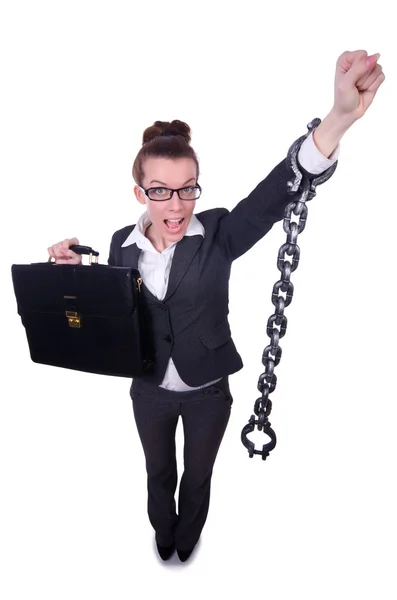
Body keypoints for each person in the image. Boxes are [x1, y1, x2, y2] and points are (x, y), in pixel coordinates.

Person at [47, 50, 385, 563]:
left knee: (197, 474)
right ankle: (164, 531)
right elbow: (112, 309)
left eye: (187, 189)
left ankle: (188, 539)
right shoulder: (120, 245)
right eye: (160, 191)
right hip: (150, 390)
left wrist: (338, 118)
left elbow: (274, 195)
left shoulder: (220, 234)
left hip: (208, 392)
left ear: (196, 186)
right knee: (158, 472)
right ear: (140, 191)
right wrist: (71, 272)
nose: (176, 205)